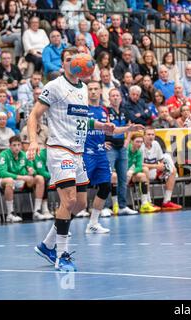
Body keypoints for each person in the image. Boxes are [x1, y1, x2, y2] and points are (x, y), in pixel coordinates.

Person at [28, 47, 115, 272]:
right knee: (67, 201)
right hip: (59, 150)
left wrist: (101, 125)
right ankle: (61, 255)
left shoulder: (84, 88)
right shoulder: (55, 86)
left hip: (77, 153)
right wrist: (34, 141)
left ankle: (47, 245)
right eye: (69, 59)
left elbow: (80, 119)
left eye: (77, 59)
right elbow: (34, 115)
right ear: (63, 63)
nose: (74, 63)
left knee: (80, 204)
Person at [81, 81, 144, 231]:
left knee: (105, 186)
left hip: (100, 153)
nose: (94, 92)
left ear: (101, 91)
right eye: (91, 89)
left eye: (96, 89)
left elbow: (110, 130)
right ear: (87, 92)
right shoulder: (82, 110)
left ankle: (93, 223)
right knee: (78, 195)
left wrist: (130, 128)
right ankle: (62, 225)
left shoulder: (103, 111)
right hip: (85, 154)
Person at [0, 135, 45, 222]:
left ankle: (37, 211)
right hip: (2, 180)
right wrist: (22, 177)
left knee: (39, 178)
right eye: (14, 145)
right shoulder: (3, 155)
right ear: (10, 146)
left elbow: (33, 169)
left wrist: (32, 171)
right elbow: (3, 173)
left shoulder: (24, 155)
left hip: (20, 180)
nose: (17, 147)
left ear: (21, 145)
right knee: (9, 180)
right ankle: (10, 214)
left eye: (18, 145)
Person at [104, 88, 139, 216]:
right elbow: (102, 127)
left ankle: (123, 206)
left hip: (122, 148)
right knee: (107, 177)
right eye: (112, 95)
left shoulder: (125, 111)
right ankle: (106, 207)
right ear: (109, 98)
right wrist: (103, 142)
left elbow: (130, 126)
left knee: (123, 178)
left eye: (117, 95)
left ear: (121, 98)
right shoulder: (106, 111)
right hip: (110, 148)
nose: (115, 97)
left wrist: (127, 141)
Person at [141, 127, 182, 210]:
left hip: (155, 170)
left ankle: (167, 201)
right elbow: (140, 165)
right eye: (148, 134)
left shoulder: (156, 144)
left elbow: (161, 160)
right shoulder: (140, 146)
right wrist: (156, 166)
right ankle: (148, 202)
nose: (151, 136)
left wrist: (164, 167)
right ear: (144, 136)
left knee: (173, 170)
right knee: (145, 170)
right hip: (144, 171)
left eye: (152, 134)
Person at [126, 133, 160, 213]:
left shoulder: (139, 152)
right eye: (137, 142)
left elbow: (139, 166)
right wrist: (126, 171)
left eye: (141, 142)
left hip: (131, 174)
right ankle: (116, 205)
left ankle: (144, 204)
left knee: (143, 176)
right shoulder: (126, 150)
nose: (139, 144)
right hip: (122, 173)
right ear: (131, 141)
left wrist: (132, 171)